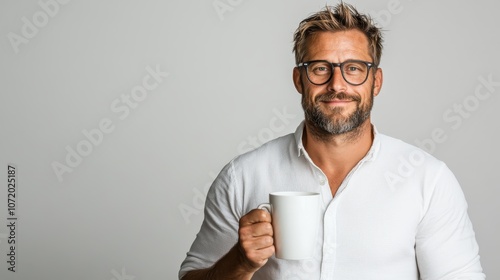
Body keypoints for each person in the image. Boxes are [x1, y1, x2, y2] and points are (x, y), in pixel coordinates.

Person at [179, 3, 485, 279]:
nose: (336, 85)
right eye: (320, 68)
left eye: (353, 68)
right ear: (299, 80)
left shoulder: (428, 180)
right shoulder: (242, 177)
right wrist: (239, 264)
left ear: (375, 81)